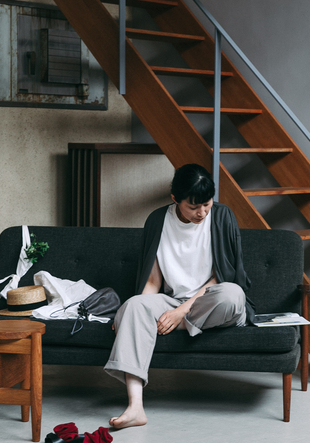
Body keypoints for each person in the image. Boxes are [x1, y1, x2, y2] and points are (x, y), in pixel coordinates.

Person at [104, 163, 256, 429]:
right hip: (172, 301)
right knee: (133, 306)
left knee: (232, 295)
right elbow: (153, 281)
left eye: (206, 204)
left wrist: (181, 312)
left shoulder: (222, 217)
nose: (202, 213)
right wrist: (136, 308)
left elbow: (222, 276)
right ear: (175, 198)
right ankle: (135, 407)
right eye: (193, 206)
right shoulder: (157, 220)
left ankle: (160, 325)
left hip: (210, 300)